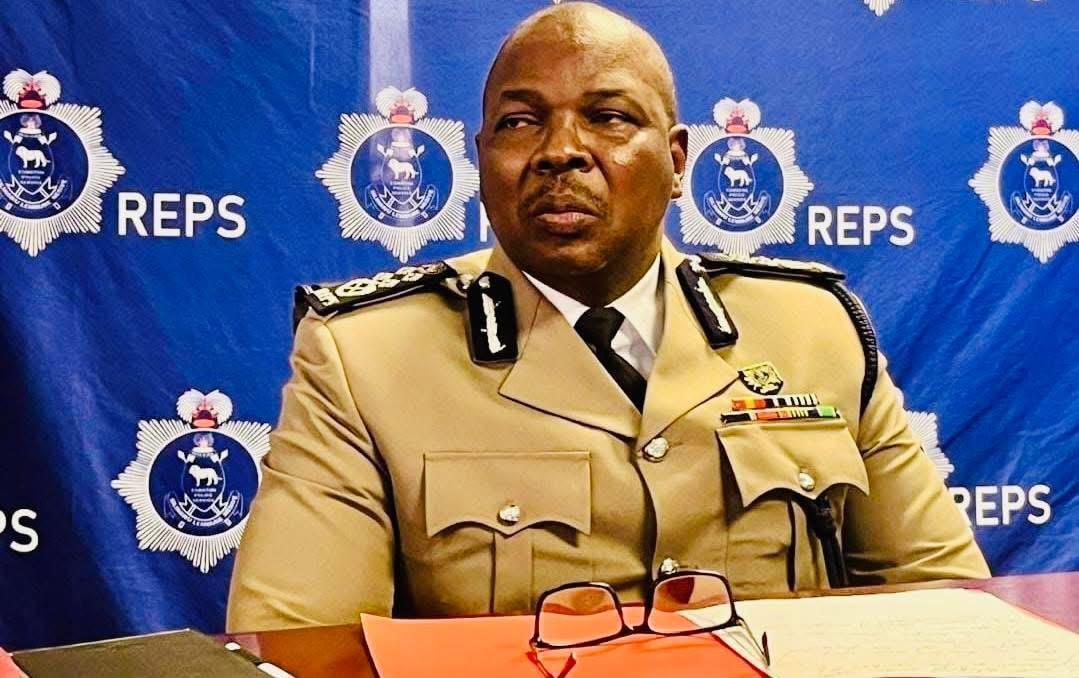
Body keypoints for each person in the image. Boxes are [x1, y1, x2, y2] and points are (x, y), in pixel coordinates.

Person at [227, 2, 988, 632]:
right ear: (481, 161)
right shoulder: (364, 358)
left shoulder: (812, 328)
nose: (559, 151)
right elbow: (300, 649)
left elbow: (946, 608)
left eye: (609, 117)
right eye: (519, 123)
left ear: (679, 160)